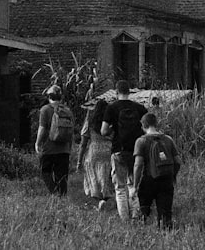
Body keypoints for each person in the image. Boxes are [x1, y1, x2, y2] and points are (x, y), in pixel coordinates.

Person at [100, 80, 147, 221]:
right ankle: (136, 215)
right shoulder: (140, 108)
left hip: (118, 150)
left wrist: (112, 129)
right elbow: (146, 129)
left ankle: (124, 219)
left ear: (116, 91)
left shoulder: (111, 108)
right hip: (136, 151)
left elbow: (103, 131)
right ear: (129, 91)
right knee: (133, 184)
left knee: (120, 187)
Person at [132, 112, 181, 229]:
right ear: (156, 123)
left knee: (144, 211)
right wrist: (173, 175)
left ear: (143, 125)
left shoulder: (141, 141)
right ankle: (166, 235)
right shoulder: (168, 139)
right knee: (165, 213)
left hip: (148, 179)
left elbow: (138, 165)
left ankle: (142, 234)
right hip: (166, 180)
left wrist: (135, 185)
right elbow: (178, 161)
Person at [35, 84, 73, 195]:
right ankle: (62, 197)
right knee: (62, 176)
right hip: (64, 149)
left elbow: (42, 128)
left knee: (45, 172)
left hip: (49, 148)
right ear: (61, 97)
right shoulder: (67, 110)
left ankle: (54, 193)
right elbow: (70, 130)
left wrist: (37, 143)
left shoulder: (45, 110)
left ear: (49, 97)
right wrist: (69, 147)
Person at [76, 99, 113, 210]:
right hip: (108, 151)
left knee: (94, 176)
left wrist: (79, 161)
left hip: (94, 151)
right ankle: (105, 198)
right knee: (105, 176)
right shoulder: (111, 122)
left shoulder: (90, 122)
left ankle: (99, 200)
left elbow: (83, 143)